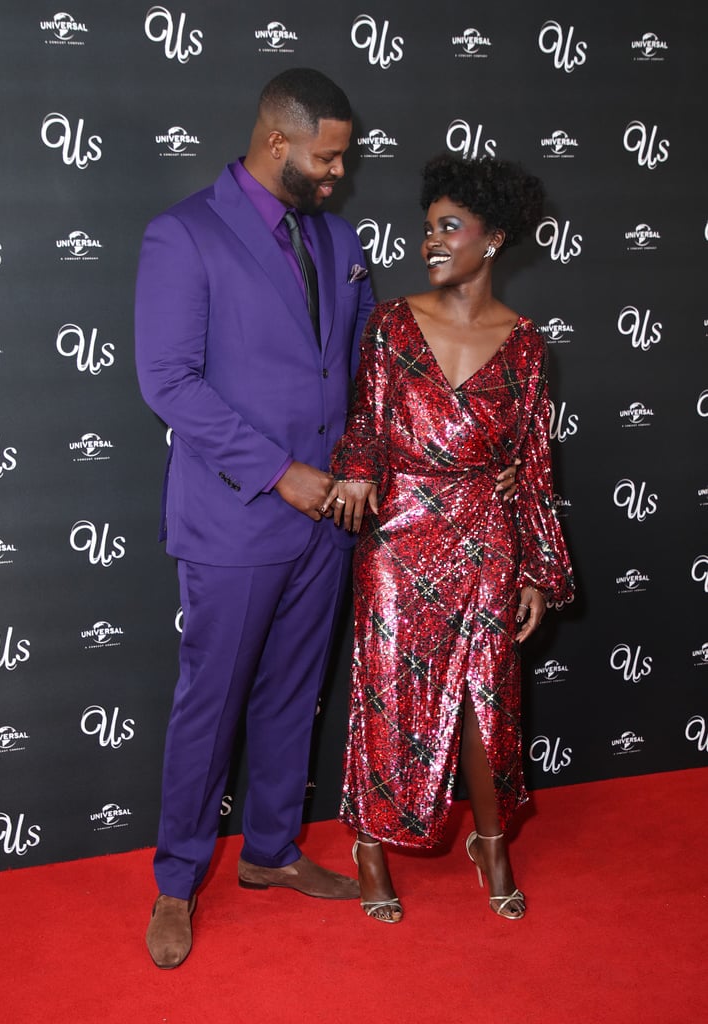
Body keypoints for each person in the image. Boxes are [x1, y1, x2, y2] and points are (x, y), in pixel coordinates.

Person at [135, 70, 518, 967]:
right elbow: (168, 382)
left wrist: (388, 469)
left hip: (329, 522)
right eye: (329, 156)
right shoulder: (183, 235)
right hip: (237, 518)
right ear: (279, 143)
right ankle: (176, 879)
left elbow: (356, 378)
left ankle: (269, 853)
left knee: (291, 697)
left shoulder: (338, 240)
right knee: (211, 704)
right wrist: (280, 474)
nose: (340, 174)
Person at [326, 155, 575, 923]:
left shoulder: (527, 345)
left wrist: (536, 565)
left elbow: (534, 462)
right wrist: (358, 475)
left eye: (449, 227)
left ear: (494, 237)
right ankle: (370, 843)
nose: (431, 241)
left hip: (487, 536)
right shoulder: (392, 323)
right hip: (401, 535)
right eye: (428, 227)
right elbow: (366, 422)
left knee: (485, 702)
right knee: (387, 692)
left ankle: (491, 841)